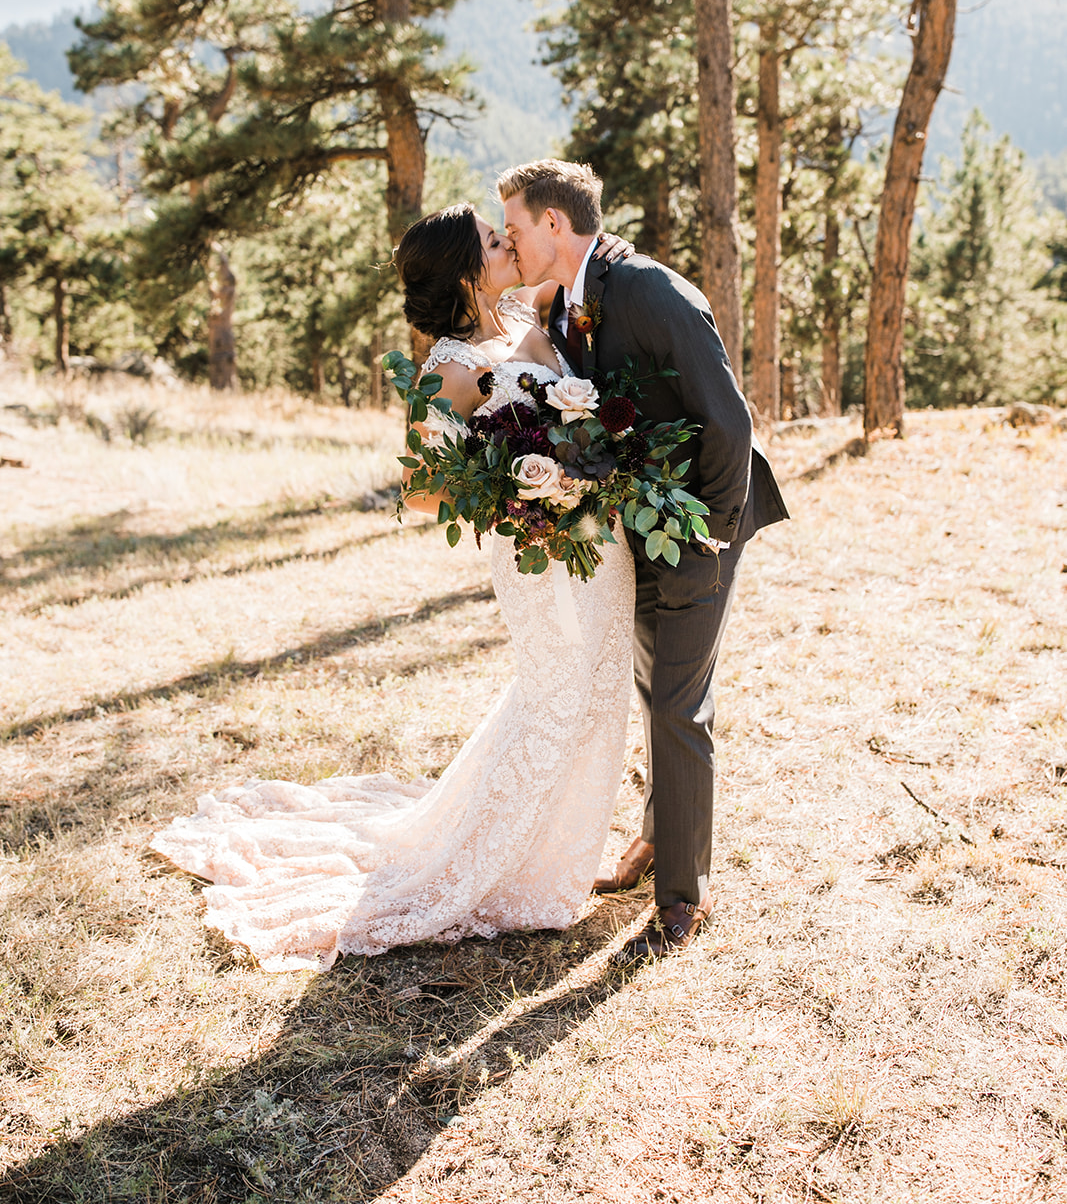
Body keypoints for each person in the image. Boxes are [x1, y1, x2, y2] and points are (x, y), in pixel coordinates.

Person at [150, 206, 638, 971]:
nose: (506, 241)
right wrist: (514, 489)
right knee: (557, 695)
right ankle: (501, 865)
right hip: (537, 552)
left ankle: (551, 850)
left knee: (600, 692)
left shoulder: (522, 314)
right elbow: (417, 489)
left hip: (596, 545)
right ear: (466, 271)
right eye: (489, 239)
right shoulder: (445, 367)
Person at [499, 159, 789, 961]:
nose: (511, 244)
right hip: (642, 527)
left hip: (703, 523)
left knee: (677, 703)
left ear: (555, 225)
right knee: (652, 684)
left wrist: (710, 540)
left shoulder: (655, 291)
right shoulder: (567, 305)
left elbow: (729, 423)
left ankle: (683, 895)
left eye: (516, 229)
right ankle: (656, 843)